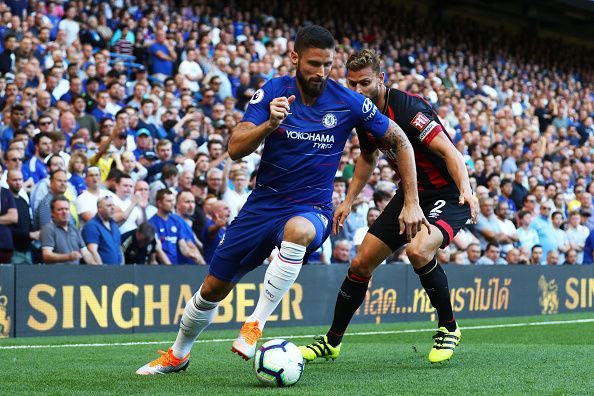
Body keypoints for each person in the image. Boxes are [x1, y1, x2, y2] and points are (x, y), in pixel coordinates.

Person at [137, 26, 422, 375]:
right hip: (262, 206)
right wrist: (269, 125)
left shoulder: (349, 101)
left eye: (327, 64)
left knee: (299, 231)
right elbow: (235, 148)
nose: (321, 72)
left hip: (312, 209)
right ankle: (178, 355)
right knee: (213, 287)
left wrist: (411, 201)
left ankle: (255, 324)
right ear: (295, 58)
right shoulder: (274, 91)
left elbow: (401, 141)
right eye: (314, 63)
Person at [299, 49, 477, 365]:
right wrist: (349, 200)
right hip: (411, 193)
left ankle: (449, 328)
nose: (357, 91)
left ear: (380, 79)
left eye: (364, 83)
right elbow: (368, 157)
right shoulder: (363, 114)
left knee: (419, 250)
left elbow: (450, 153)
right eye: (351, 84)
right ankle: (331, 342)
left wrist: (466, 189)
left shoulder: (409, 109)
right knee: (360, 264)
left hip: (448, 194)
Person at [40, 196, 95, 265]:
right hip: (57, 273)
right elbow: (47, 255)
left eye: (67, 209)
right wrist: (68, 257)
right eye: (60, 209)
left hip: (75, 272)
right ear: (52, 213)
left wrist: (96, 267)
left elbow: (85, 252)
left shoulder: (74, 229)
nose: (64, 212)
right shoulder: (48, 229)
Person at [82, 196, 124, 265]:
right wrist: (102, 270)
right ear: (99, 209)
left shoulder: (114, 225)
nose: (113, 208)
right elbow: (92, 251)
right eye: (109, 206)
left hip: (117, 271)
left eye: (113, 205)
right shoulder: (91, 226)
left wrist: (122, 267)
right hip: (103, 273)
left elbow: (119, 248)